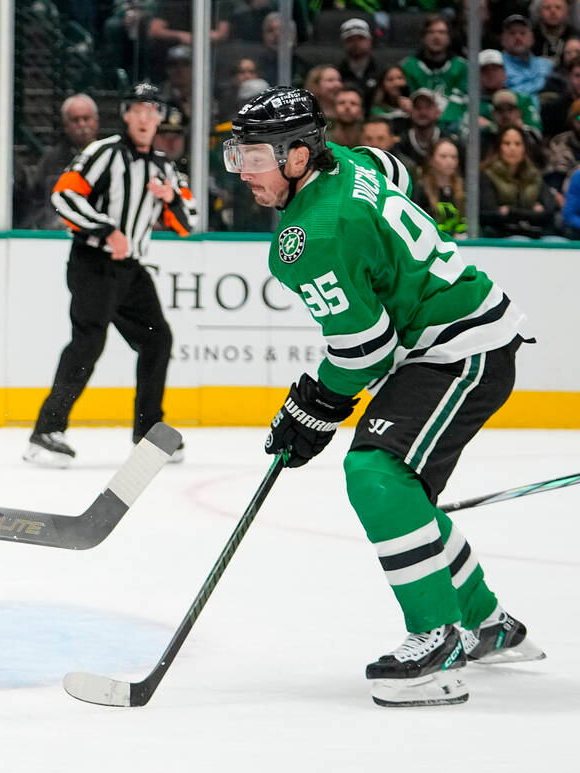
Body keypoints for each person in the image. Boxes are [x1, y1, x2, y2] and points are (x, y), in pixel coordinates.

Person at [225, 86, 542, 707]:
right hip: (452, 336)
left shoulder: (312, 235)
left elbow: (366, 351)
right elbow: (391, 169)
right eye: (239, 156)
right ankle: (487, 625)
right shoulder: (350, 159)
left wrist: (313, 406)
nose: (245, 173)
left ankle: (439, 643)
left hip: (461, 348)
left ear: (297, 157)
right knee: (402, 492)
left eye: (257, 157)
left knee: (376, 472)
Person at [25, 82, 197, 467]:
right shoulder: (102, 153)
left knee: (157, 341)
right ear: (125, 115)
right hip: (93, 262)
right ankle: (45, 432)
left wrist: (170, 199)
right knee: (88, 343)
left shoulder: (165, 167)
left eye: (151, 112)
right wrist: (106, 229)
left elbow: (190, 221)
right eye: (137, 111)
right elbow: (63, 196)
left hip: (130, 270)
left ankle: (148, 430)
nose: (144, 119)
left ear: (159, 119)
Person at [28, 93, 99, 230]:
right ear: (65, 125)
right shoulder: (50, 161)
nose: (82, 125)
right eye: (75, 120)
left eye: (86, 118)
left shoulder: (110, 156)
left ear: (96, 121)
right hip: (59, 236)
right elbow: (37, 204)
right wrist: (52, 223)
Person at [479, 124, 561, 237]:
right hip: (502, 235)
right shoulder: (487, 175)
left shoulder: (534, 175)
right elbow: (490, 214)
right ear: (499, 148)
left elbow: (549, 211)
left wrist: (509, 211)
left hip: (535, 234)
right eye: (507, 143)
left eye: (517, 144)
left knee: (556, 242)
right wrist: (533, 212)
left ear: (524, 148)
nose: (512, 148)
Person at [401, 14, 468, 133]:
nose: (436, 37)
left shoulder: (462, 66)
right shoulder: (408, 67)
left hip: (452, 129)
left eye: (442, 32)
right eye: (431, 32)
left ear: (449, 37)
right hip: (416, 128)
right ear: (422, 37)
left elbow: (459, 103)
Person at [412, 138, 467, 238]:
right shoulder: (421, 189)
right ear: (431, 160)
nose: (449, 161)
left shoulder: (464, 188)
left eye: (454, 157)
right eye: (443, 156)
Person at [337, 18, 381, 99]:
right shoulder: (336, 74)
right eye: (350, 39)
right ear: (342, 43)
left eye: (361, 38)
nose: (356, 43)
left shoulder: (381, 71)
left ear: (370, 40)